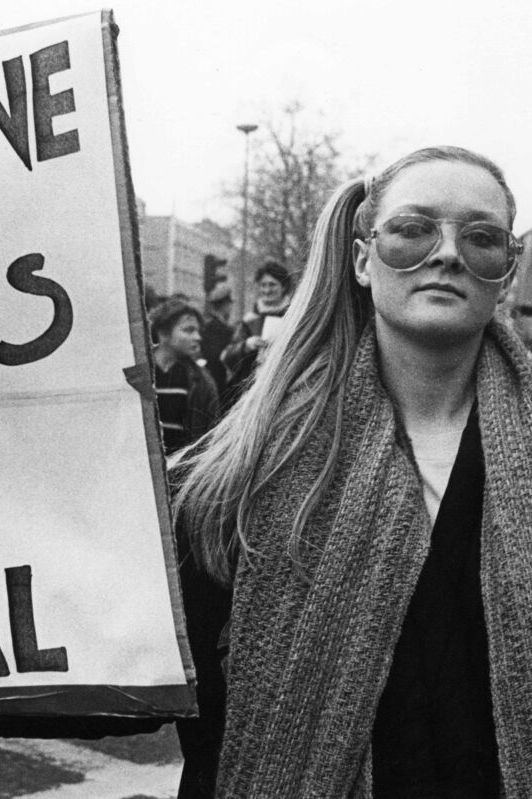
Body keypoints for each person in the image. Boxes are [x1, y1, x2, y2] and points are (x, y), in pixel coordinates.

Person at [171, 145, 532, 797]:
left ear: (506, 270)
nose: (448, 254)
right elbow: (160, 673)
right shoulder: (251, 465)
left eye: (481, 237)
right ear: (364, 259)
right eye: (413, 229)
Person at [148, 298, 219, 454]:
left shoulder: (203, 382)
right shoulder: (141, 373)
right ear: (163, 333)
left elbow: (209, 436)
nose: (198, 337)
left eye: (198, 331)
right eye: (188, 330)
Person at [220, 259, 292, 407]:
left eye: (272, 285)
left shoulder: (293, 317)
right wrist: (246, 345)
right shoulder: (250, 320)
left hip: (284, 387)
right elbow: (227, 356)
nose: (267, 290)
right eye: (263, 285)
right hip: (251, 393)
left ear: (284, 286)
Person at [202, 281, 235, 394]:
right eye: (230, 304)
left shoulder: (209, 325)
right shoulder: (219, 328)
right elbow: (215, 356)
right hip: (218, 380)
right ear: (225, 305)